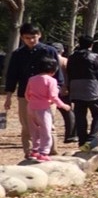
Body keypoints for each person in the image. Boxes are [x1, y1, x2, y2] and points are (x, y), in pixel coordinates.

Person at [4, 24, 62, 157]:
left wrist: (57, 91)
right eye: (27, 38)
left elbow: (58, 75)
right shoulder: (18, 54)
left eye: (33, 37)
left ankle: (51, 151)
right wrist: (8, 96)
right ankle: (30, 151)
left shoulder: (49, 51)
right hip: (26, 94)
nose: (30, 40)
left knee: (48, 123)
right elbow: (12, 75)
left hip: (47, 94)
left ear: (39, 35)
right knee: (27, 124)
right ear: (22, 38)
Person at [23, 52, 71, 162]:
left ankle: (34, 150)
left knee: (34, 130)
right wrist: (63, 105)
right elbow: (53, 96)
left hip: (31, 107)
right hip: (43, 109)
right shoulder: (52, 80)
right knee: (46, 130)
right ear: (54, 70)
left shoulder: (32, 79)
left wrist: (33, 101)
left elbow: (27, 94)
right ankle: (43, 152)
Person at [67, 38, 98, 148]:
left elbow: (68, 73)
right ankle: (92, 138)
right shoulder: (94, 56)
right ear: (91, 45)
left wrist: (69, 89)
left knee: (80, 115)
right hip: (91, 88)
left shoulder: (71, 57)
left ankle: (82, 140)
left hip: (76, 88)